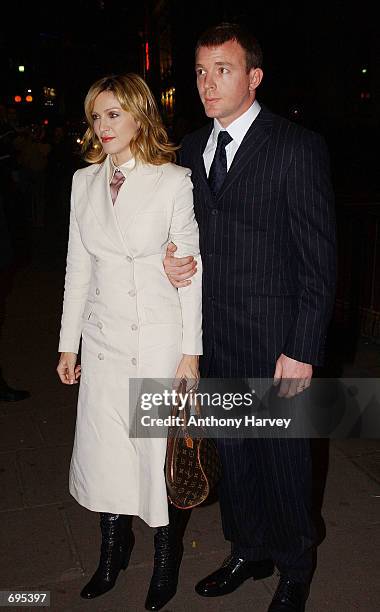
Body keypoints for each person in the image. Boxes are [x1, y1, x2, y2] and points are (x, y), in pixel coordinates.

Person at [164, 23, 337, 612]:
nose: (208, 84)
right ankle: (247, 549)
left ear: (254, 77)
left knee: (283, 460)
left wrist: (304, 346)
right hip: (211, 336)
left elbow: (319, 260)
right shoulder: (189, 148)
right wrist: (171, 258)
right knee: (234, 455)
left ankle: (295, 566)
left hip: (275, 341)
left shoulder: (296, 146)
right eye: (200, 71)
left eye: (223, 70)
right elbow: (182, 231)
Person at [56, 73, 202, 610]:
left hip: (157, 342)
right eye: (97, 115)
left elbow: (191, 270)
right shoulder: (83, 181)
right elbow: (78, 269)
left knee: (154, 458)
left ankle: (165, 560)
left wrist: (191, 352)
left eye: (114, 113)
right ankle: (111, 552)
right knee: (104, 455)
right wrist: (67, 345)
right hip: (101, 341)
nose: (103, 125)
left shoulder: (172, 181)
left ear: (140, 114)